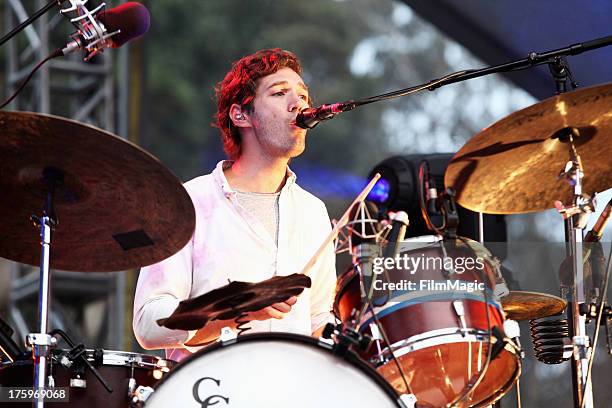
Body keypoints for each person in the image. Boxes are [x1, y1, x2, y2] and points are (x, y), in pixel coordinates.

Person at [133, 49, 337, 362]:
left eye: (303, 95)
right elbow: (149, 324)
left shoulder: (313, 212)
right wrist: (236, 312)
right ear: (241, 115)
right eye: (280, 93)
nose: (299, 104)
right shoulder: (189, 203)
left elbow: (318, 320)